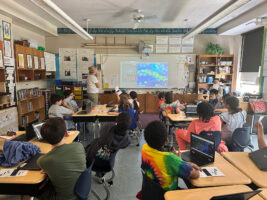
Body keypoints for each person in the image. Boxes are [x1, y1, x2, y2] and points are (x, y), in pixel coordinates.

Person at [141, 121, 200, 191]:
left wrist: (183, 162)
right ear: (166, 140)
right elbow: (196, 175)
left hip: (152, 192)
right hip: (168, 194)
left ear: (146, 139)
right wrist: (179, 160)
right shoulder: (170, 159)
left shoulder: (144, 149)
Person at [37, 118, 86, 200]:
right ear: (66, 133)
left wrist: (49, 168)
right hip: (81, 190)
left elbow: (43, 164)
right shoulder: (78, 146)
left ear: (46, 140)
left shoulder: (44, 161)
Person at [85, 112, 132, 180]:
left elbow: (101, 133)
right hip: (107, 165)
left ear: (116, 120)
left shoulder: (107, 127)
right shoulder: (127, 140)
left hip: (90, 160)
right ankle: (100, 174)